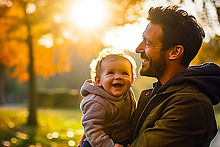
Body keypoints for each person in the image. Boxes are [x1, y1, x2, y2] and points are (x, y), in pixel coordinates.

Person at [129, 5, 220, 147]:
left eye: (148, 42)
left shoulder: (189, 105)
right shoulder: (164, 94)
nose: (138, 49)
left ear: (175, 52)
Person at [79, 48, 137, 147]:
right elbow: (92, 129)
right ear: (98, 81)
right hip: (97, 143)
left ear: (132, 81)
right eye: (110, 73)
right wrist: (109, 145)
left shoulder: (128, 94)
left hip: (120, 140)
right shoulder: (97, 102)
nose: (118, 77)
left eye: (124, 73)